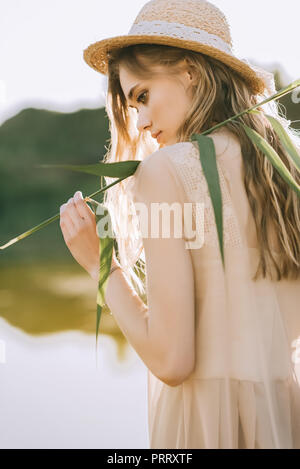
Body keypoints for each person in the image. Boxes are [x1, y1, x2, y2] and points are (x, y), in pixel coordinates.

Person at [59, 0, 300, 449]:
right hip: (283, 415)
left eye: (143, 96)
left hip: (207, 424)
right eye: (133, 108)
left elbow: (173, 360)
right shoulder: (284, 170)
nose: (143, 122)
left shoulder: (168, 169)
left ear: (190, 71)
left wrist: (102, 266)